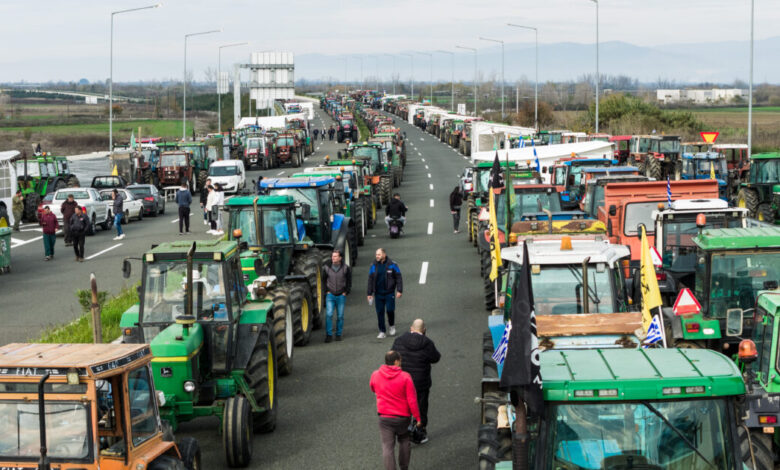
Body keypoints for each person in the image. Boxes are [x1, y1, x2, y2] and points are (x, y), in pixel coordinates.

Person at [369, 350, 422, 470]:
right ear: (396, 361)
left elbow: (373, 388)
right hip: (402, 418)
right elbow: (412, 400)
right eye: (400, 361)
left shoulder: (375, 374)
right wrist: (418, 418)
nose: (401, 363)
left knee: (387, 447)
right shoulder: (405, 377)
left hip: (384, 418)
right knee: (404, 441)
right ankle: (404, 467)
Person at [391, 319, 441, 444]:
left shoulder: (399, 340)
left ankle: (403, 431)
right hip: (420, 382)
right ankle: (420, 431)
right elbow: (435, 358)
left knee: (403, 405)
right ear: (424, 330)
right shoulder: (427, 343)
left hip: (402, 380)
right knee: (421, 407)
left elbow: (392, 357)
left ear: (411, 328)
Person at [367, 248, 403, 339]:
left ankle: (392, 326)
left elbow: (398, 277)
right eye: (376, 254)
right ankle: (382, 331)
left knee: (390, 310)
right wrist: (369, 293)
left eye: (378, 254)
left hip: (389, 293)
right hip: (378, 294)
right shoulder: (373, 265)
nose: (377, 256)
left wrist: (399, 290)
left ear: (384, 255)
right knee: (380, 312)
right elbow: (370, 280)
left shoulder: (392, 265)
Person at [322, 250, 352, 342]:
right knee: (329, 314)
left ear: (340, 258)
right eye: (332, 256)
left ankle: (338, 334)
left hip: (341, 295)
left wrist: (346, 292)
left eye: (335, 256)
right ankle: (329, 335)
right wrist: (326, 291)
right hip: (330, 295)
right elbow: (323, 280)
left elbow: (349, 281)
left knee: (340, 316)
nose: (333, 258)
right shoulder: (327, 267)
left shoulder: (345, 268)